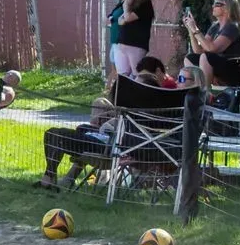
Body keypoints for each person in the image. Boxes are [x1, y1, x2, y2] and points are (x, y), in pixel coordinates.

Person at [36, 56, 166, 189]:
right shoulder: (145, 113)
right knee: (62, 132)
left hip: (106, 147)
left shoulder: (138, 114)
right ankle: (50, 178)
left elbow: (122, 134)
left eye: (136, 87)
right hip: (105, 141)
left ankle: (49, 179)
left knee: (55, 134)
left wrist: (108, 125)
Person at [180, 0, 240, 88]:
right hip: (218, 65)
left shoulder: (232, 27)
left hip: (235, 69)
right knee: (190, 58)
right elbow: (199, 50)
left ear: (226, 8)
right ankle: (193, 90)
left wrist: (195, 29)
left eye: (216, 4)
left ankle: (204, 94)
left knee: (205, 57)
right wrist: (190, 30)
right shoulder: (215, 26)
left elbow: (212, 49)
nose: (213, 6)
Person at [108, 0, 154, 78]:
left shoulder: (144, 6)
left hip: (136, 45)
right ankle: (123, 93)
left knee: (137, 74)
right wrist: (126, 10)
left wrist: (126, 4)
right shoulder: (130, 6)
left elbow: (127, 18)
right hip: (123, 43)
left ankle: (137, 93)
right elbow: (121, 21)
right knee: (122, 75)